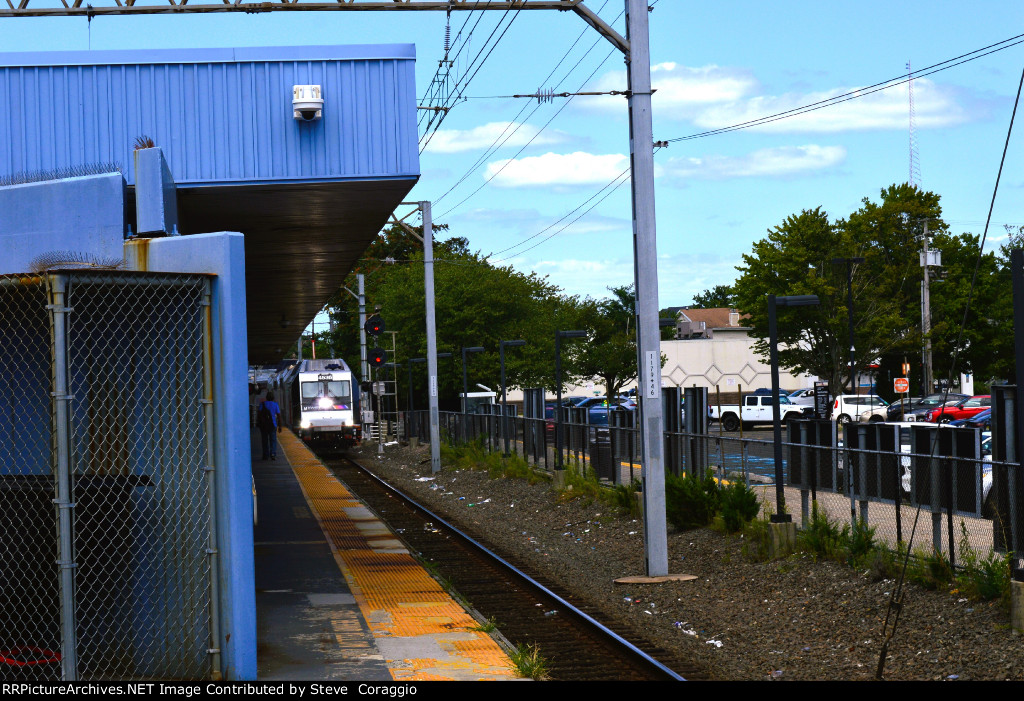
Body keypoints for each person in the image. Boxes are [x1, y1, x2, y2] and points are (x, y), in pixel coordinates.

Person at [258, 391, 283, 460]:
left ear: (266, 397)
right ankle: (273, 454)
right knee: (273, 440)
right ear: (273, 398)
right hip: (272, 425)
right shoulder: (275, 405)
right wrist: (280, 426)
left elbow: (259, 414)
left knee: (264, 440)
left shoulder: (262, 404)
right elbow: (279, 416)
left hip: (264, 426)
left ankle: (265, 455)